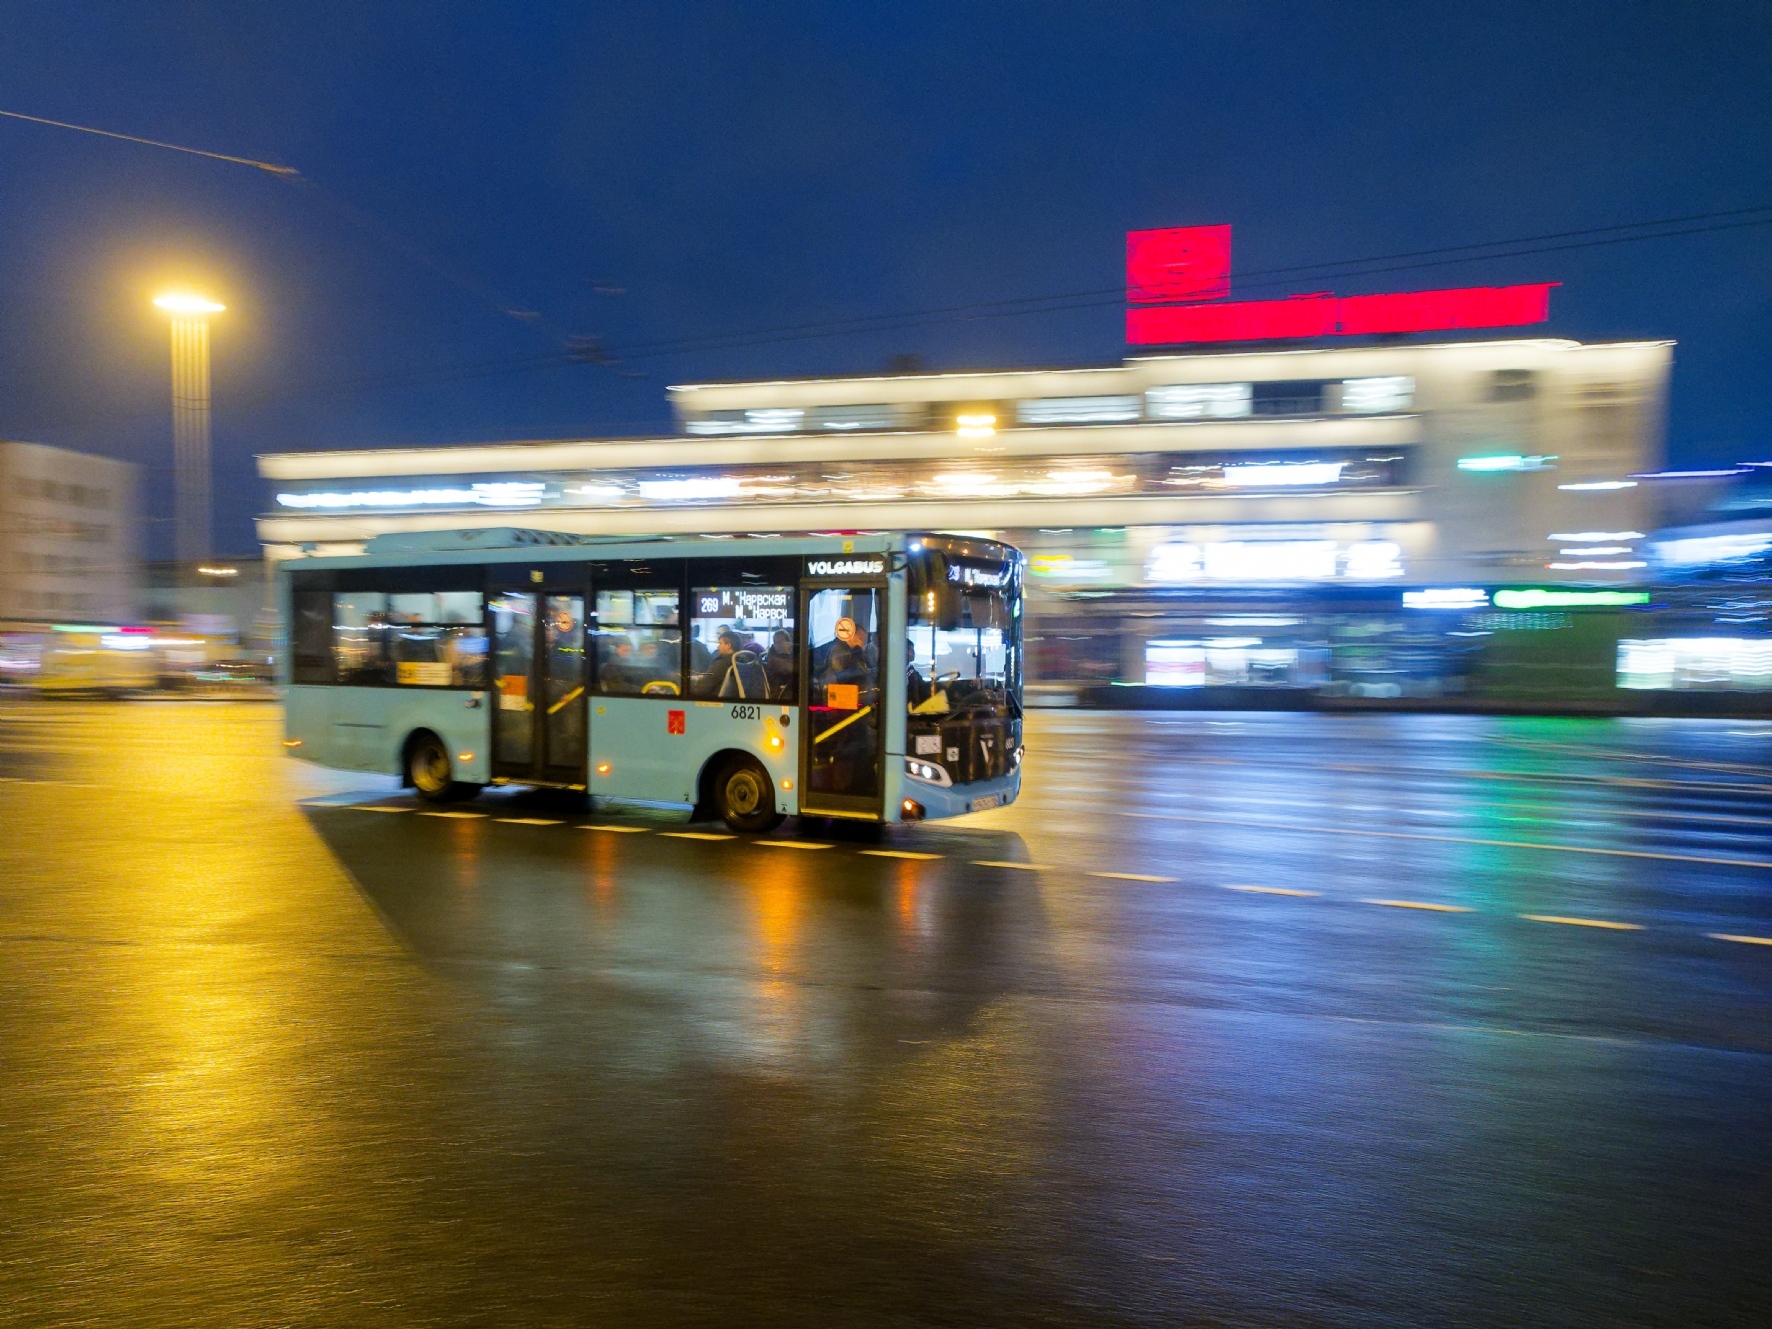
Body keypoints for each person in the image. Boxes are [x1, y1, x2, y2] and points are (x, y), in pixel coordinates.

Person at [764, 629, 795, 700]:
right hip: (782, 692)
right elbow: (791, 669)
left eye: (780, 642)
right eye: (775, 643)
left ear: (788, 642)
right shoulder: (773, 658)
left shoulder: (791, 655)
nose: (777, 645)